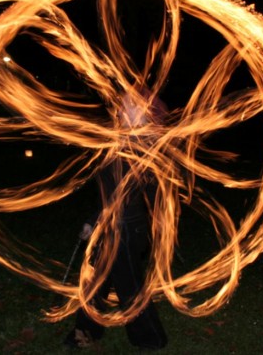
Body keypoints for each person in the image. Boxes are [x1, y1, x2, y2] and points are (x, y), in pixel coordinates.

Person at [64, 86, 168, 351]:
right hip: (113, 225)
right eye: (123, 103)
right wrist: (93, 220)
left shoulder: (140, 150)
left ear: (144, 113)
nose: (122, 107)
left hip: (124, 229)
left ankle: (151, 338)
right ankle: (85, 330)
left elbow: (122, 196)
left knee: (129, 288)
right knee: (96, 283)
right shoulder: (121, 142)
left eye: (130, 105)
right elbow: (108, 194)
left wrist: (96, 219)